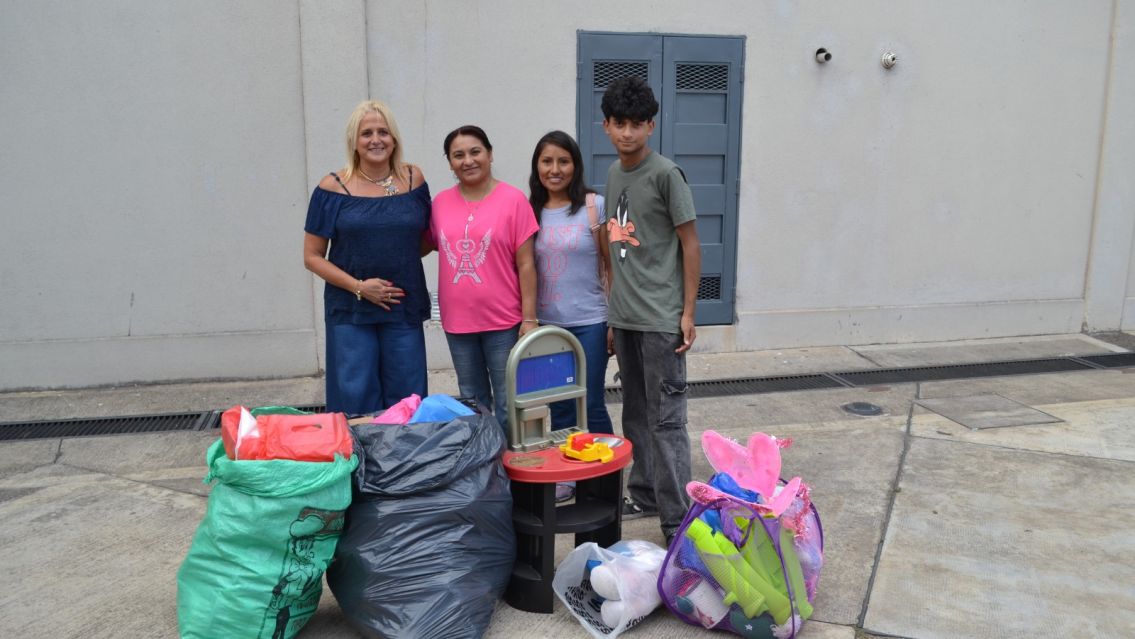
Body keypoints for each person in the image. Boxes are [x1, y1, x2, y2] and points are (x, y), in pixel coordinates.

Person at [600, 76, 702, 545]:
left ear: (651, 126)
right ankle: (643, 492)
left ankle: (676, 519)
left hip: (662, 319)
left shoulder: (666, 174)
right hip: (626, 319)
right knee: (636, 415)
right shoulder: (614, 174)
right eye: (619, 124)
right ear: (606, 127)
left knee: (667, 421)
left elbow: (690, 243)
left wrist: (688, 311)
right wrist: (612, 310)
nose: (627, 133)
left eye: (636, 124)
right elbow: (615, 245)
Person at [302, 100, 432, 416]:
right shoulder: (332, 187)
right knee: (355, 398)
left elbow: (425, 239)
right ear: (354, 142)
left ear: (394, 138)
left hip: (403, 308)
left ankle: (406, 464)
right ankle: (360, 463)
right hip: (351, 311)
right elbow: (312, 256)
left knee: (408, 402)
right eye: (367, 133)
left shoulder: (414, 179)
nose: (376, 139)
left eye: (383, 132)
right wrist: (360, 286)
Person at [431, 125, 539, 435]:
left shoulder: (514, 200)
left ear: (490, 154)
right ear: (450, 162)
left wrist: (528, 319)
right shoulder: (439, 204)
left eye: (475, 152)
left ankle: (512, 473)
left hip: (504, 322)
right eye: (458, 155)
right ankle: (484, 473)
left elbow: (527, 264)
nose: (468, 160)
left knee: (509, 404)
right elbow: (423, 242)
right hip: (458, 323)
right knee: (472, 404)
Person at [528, 130, 614, 437]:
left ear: (575, 165)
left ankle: (603, 476)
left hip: (590, 322)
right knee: (560, 405)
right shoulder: (528, 211)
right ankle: (566, 477)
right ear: (536, 166)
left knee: (590, 402)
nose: (555, 169)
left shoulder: (594, 206)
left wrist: (614, 320)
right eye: (547, 161)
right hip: (547, 325)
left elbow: (611, 265)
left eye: (563, 161)